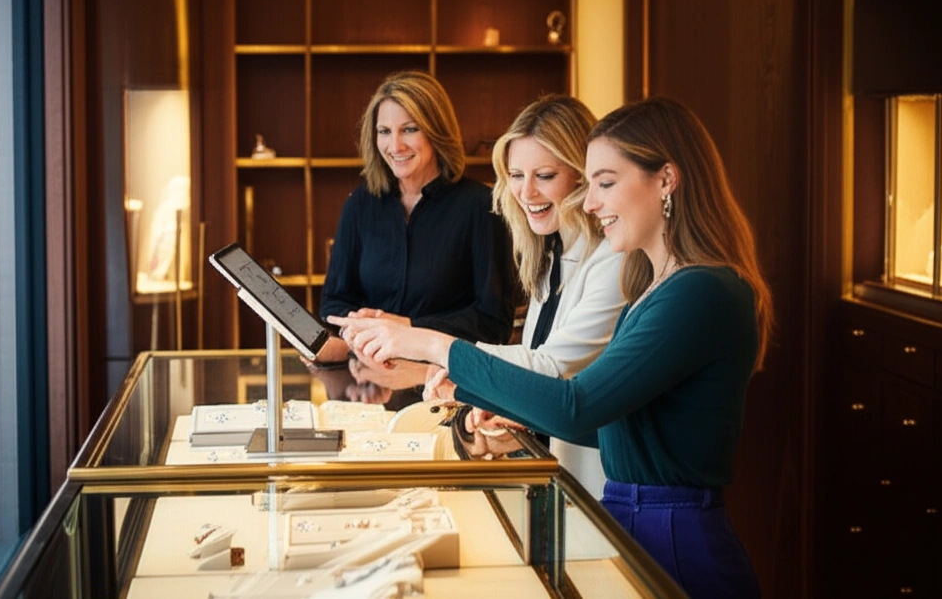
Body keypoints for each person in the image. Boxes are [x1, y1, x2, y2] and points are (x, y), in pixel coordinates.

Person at [332, 96, 773, 599]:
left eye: (605, 183)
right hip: (634, 528)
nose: (588, 202)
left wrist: (433, 344)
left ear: (666, 180)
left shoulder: (702, 291)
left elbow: (576, 403)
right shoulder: (658, 287)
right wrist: (500, 405)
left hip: (675, 547)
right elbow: (604, 422)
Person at [342, 94, 624, 496]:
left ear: (583, 176)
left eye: (544, 175)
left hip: (596, 488)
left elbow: (551, 368)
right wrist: (502, 409)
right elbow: (534, 372)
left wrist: (429, 349)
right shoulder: (548, 254)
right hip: (554, 477)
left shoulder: (611, 261)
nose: (526, 192)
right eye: (516, 175)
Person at [310, 70, 517, 410]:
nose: (396, 146)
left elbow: (494, 321)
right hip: (370, 388)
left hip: (451, 392)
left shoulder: (482, 207)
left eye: (409, 129)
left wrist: (408, 328)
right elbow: (334, 304)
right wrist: (363, 334)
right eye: (384, 132)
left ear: (436, 131)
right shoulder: (360, 204)